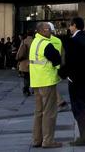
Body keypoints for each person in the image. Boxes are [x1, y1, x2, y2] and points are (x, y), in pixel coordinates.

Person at [62, 16, 85, 146]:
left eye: (70, 25)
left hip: (77, 81)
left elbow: (71, 61)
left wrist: (64, 74)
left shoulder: (74, 41)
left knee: (79, 108)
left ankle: (84, 137)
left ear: (75, 26)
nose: (69, 28)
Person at [28, 21, 64, 149]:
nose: (51, 31)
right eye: (48, 29)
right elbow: (57, 59)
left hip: (36, 81)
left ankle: (36, 139)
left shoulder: (34, 43)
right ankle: (48, 141)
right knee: (49, 112)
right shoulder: (46, 44)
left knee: (38, 112)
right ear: (42, 31)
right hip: (47, 81)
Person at [18, 30, 34, 97]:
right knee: (33, 76)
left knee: (26, 77)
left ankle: (26, 89)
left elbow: (20, 52)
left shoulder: (24, 41)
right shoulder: (35, 41)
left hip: (24, 62)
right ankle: (33, 89)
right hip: (33, 62)